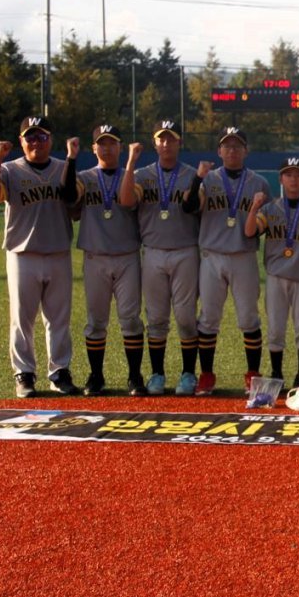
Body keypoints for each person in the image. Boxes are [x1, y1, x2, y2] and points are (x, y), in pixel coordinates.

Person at [0, 115, 81, 397]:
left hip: (58, 251)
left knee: (59, 319)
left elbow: (76, 207)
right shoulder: (10, 170)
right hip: (23, 254)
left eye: (42, 136)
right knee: (22, 319)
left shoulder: (63, 168)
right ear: (21, 141)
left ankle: (59, 372)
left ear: (51, 140)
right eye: (30, 137)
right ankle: (24, 374)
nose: (36, 142)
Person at [118, 120, 202, 396]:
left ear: (179, 143)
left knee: (186, 317)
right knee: (156, 317)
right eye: (161, 139)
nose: (166, 143)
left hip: (185, 250)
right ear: (155, 143)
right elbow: (127, 201)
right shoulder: (142, 174)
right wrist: (130, 161)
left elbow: (196, 207)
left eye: (171, 139)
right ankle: (157, 374)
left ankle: (188, 373)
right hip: (152, 250)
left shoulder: (192, 174)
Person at [191, 126, 271, 395]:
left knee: (249, 317)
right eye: (227, 146)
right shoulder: (208, 179)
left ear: (246, 151)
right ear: (219, 151)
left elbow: (268, 223)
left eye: (237, 146)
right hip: (211, 255)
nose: (232, 150)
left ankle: (252, 374)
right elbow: (190, 207)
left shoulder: (259, 183)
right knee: (208, 318)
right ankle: (207, 375)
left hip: (243, 255)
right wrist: (196, 179)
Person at [74, 124, 145, 395]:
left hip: (127, 256)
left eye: (112, 143)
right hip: (95, 256)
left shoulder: (133, 176)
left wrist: (130, 163)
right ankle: (96, 375)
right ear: (93, 148)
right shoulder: (83, 177)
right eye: (101, 143)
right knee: (96, 320)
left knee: (130, 319)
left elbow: (129, 202)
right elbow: (71, 202)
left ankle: (135, 376)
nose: (107, 148)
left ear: (119, 146)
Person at [244, 157, 299, 387]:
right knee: (276, 328)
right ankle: (276, 372)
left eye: (298, 175)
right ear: (281, 179)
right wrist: (254, 207)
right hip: (276, 276)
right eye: (288, 175)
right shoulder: (270, 209)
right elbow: (249, 232)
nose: (293, 179)